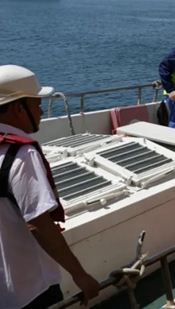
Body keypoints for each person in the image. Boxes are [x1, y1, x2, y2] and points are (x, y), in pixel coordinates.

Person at [0, 65, 100, 309]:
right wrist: (79, 274)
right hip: (31, 290)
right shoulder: (22, 155)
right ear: (18, 108)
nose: (41, 111)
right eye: (36, 104)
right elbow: (39, 224)